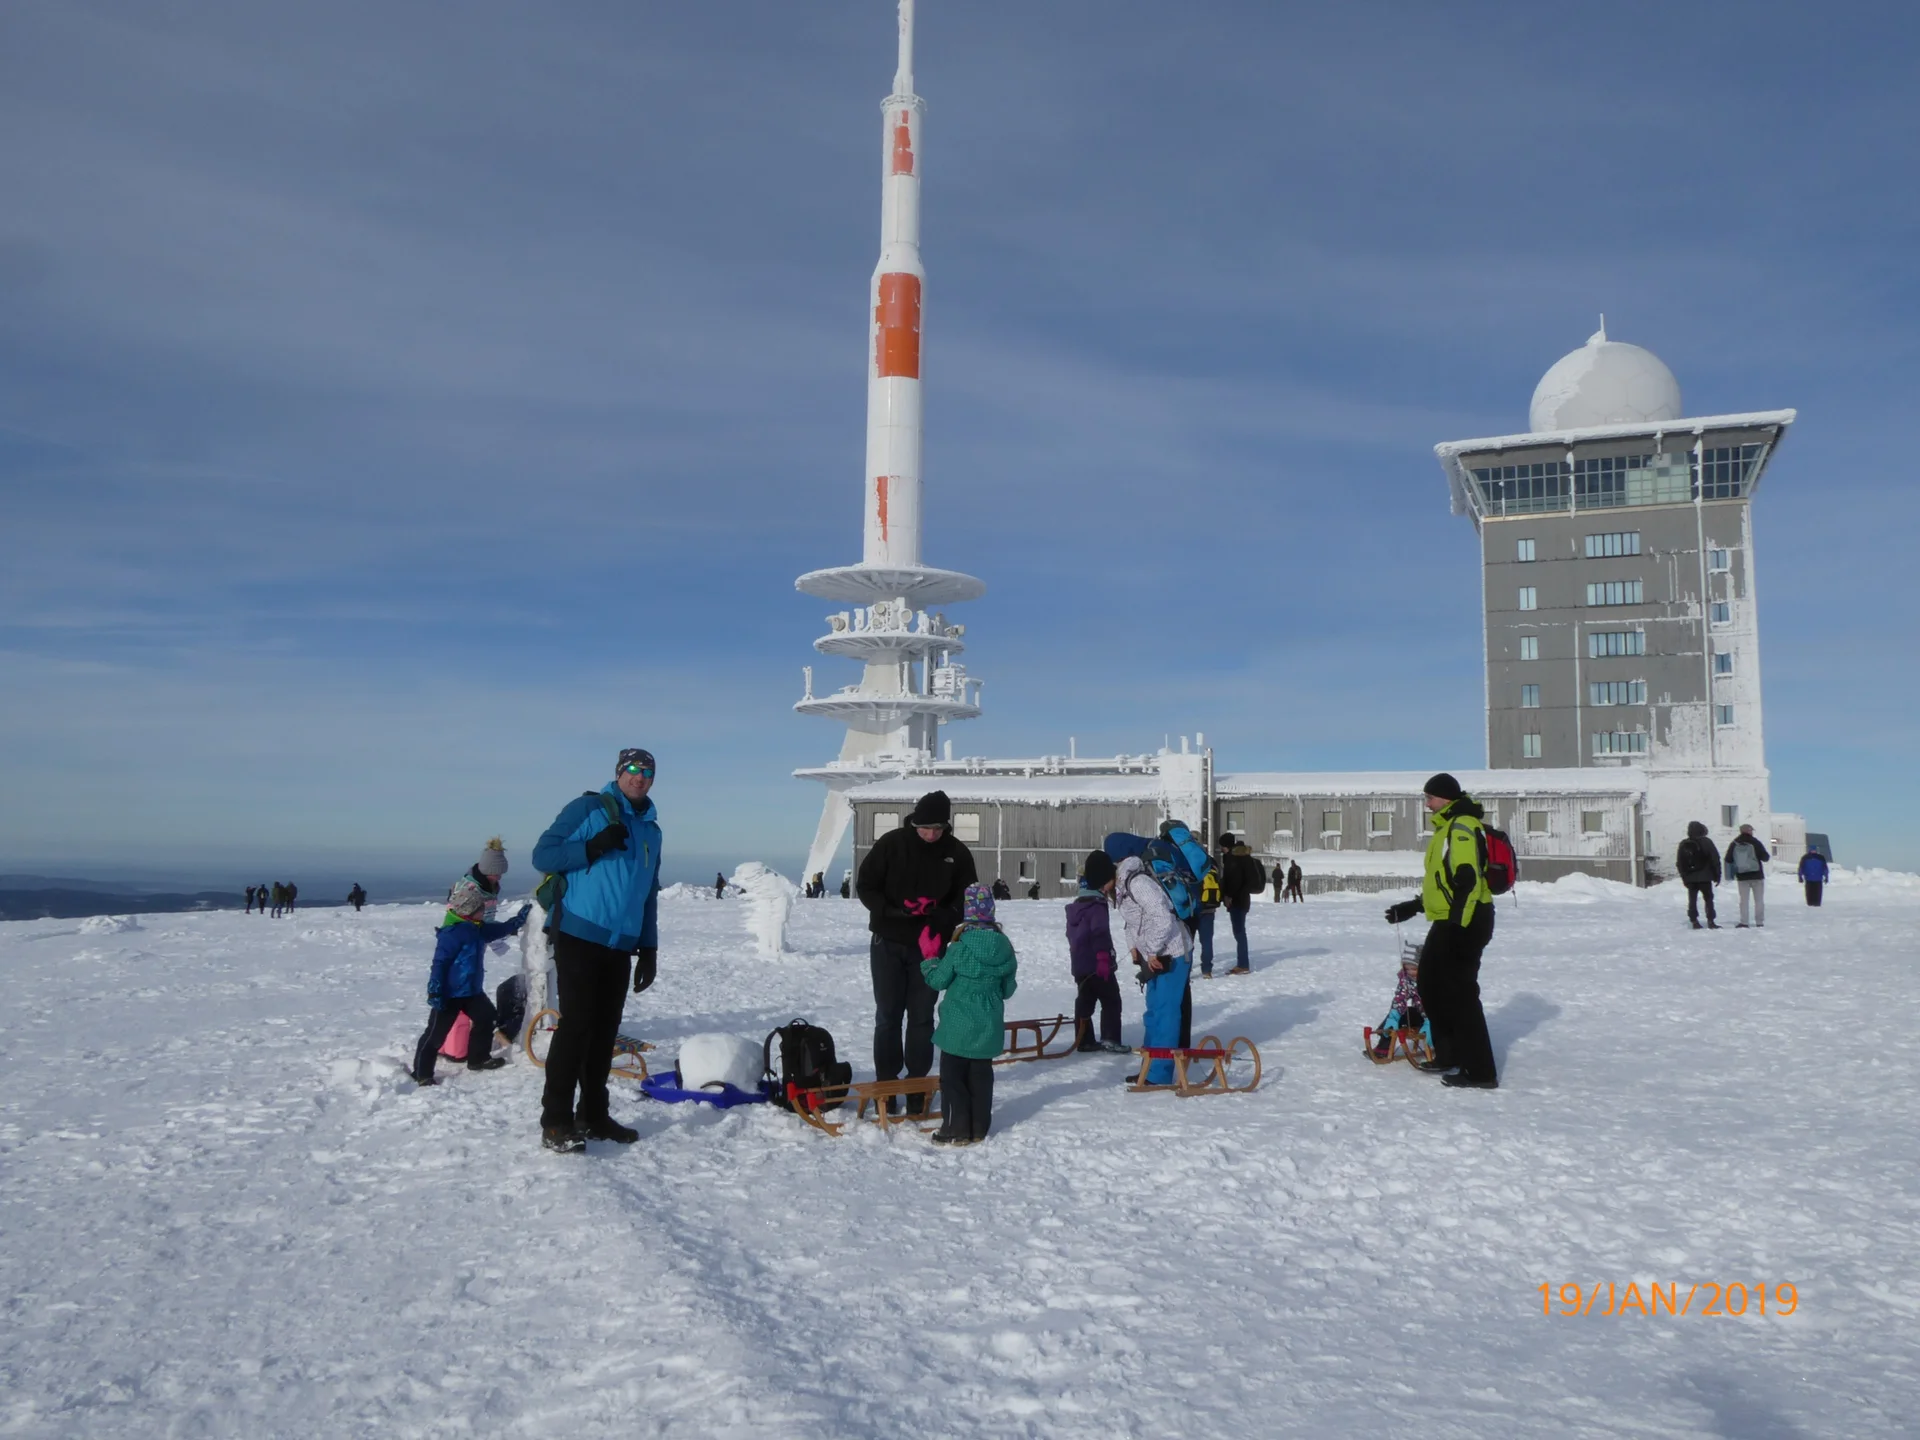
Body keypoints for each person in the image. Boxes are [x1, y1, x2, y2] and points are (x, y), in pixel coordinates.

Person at [531, 747, 664, 1154]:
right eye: (633, 770)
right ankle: (556, 1120)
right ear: (620, 773)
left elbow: (648, 893)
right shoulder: (589, 808)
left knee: (604, 1031)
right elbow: (544, 855)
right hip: (579, 933)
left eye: (648, 772)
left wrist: (649, 946)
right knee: (577, 1028)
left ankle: (593, 1114)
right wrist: (591, 847)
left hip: (620, 946)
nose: (640, 777)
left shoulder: (652, 831)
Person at [856, 790, 978, 1109]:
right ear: (914, 821)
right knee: (888, 1016)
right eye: (925, 827)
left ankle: (917, 1088)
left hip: (931, 947)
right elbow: (866, 885)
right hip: (888, 942)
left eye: (938, 828)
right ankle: (886, 1087)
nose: (931, 834)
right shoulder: (892, 844)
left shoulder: (956, 852)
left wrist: (946, 914)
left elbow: (968, 896)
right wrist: (891, 911)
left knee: (922, 1017)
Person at [1383, 773, 1498, 1090]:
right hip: (1450, 918)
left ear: (1445, 798)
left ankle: (1480, 1071)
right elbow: (1443, 883)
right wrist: (1414, 906)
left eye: (1430, 797)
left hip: (1466, 920)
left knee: (1460, 995)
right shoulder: (1446, 827)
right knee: (1431, 986)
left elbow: (1467, 879)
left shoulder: (1461, 826)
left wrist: (1459, 926)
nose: (1426, 803)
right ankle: (1449, 1054)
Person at [921, 883, 1018, 1145]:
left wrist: (929, 958)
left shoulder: (960, 947)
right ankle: (978, 1129)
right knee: (981, 1077)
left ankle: (955, 1128)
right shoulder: (1005, 948)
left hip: (957, 1026)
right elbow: (1008, 990)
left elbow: (938, 981)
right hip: (988, 1026)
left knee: (953, 1079)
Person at [409, 879, 531, 1085]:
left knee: (487, 1017)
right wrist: (436, 990)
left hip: (471, 991)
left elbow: (498, 930)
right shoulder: (452, 933)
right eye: (480, 909)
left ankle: (478, 1058)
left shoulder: (477, 928)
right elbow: (440, 963)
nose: (483, 912)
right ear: (468, 911)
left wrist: (517, 921)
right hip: (450, 994)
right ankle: (422, 1073)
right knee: (436, 1034)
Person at [1113, 850, 1193, 1086]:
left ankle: (1159, 1074)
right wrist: (1134, 947)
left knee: (1166, 1014)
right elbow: (1131, 922)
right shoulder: (1121, 887)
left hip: (1174, 953)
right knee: (1153, 1013)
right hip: (1155, 957)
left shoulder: (1138, 883)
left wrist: (1152, 951)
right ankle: (1149, 1068)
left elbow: (1162, 917)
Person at [1066, 850, 1127, 1053]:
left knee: (1085, 1000)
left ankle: (1084, 1039)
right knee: (1111, 1000)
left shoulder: (1077, 906)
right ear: (1103, 881)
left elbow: (1072, 936)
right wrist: (1103, 957)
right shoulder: (1097, 905)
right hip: (1098, 964)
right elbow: (1099, 933)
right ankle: (1110, 1037)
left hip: (1081, 965)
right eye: (1112, 879)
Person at [1220, 838, 1259, 974]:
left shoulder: (1234, 860)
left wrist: (1228, 896)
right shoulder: (1247, 859)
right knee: (1240, 931)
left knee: (1239, 933)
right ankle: (1243, 963)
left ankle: (1243, 964)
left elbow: (1234, 881)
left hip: (1236, 901)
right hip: (1244, 900)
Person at [1675, 822, 1722, 930]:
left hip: (1690, 877)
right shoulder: (1707, 842)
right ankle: (1711, 921)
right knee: (1708, 899)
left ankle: (1694, 921)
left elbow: (1680, 862)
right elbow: (1715, 859)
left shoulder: (1684, 843)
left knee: (1692, 900)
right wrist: (1717, 875)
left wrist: (1684, 877)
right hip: (1705, 876)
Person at [1727, 824, 1770, 928]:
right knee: (1759, 900)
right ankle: (1759, 922)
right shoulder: (1755, 842)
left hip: (1742, 876)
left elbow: (1728, 859)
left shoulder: (1735, 843)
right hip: (1757, 875)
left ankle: (1744, 922)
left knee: (1744, 900)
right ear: (1749, 831)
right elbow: (1765, 857)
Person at [1194, 861, 1221, 978]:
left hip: (1192, 910)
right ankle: (1207, 970)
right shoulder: (1211, 864)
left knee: (1187, 942)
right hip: (1209, 910)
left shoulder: (1188, 863)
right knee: (1207, 941)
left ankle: (1185, 969)